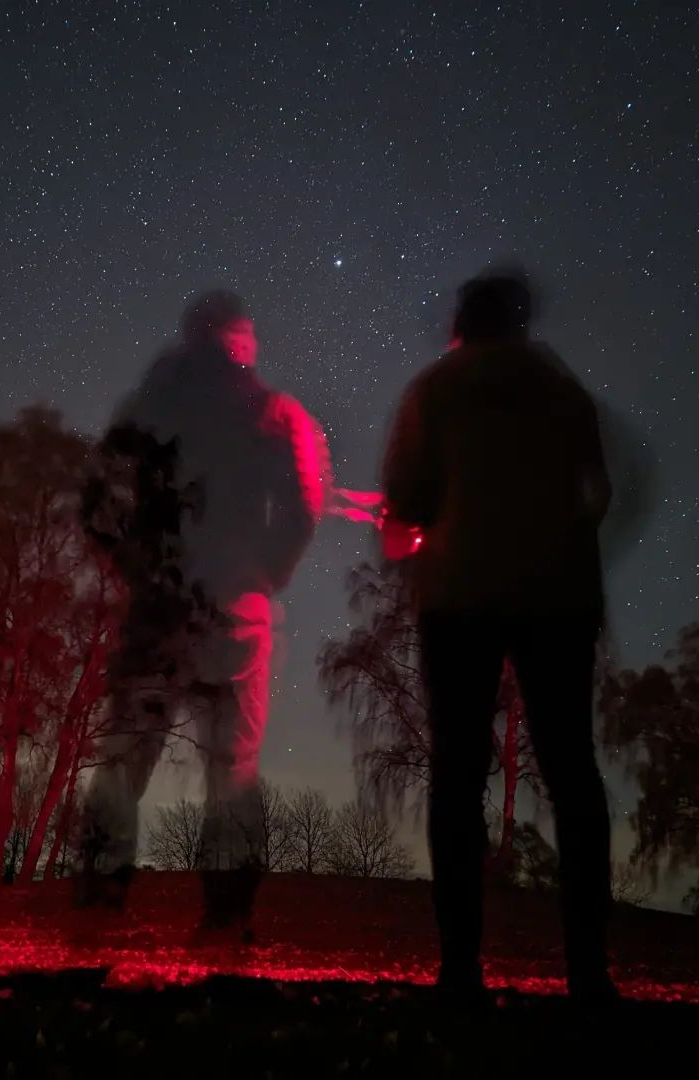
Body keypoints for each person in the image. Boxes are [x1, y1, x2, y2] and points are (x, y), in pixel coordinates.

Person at [380, 270, 618, 1003]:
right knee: (573, 772)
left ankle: (460, 970)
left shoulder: (436, 388)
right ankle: (587, 971)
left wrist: (416, 531)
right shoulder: (559, 387)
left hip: (459, 598)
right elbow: (600, 487)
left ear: (461, 321)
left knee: (456, 776)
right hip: (559, 595)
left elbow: (408, 497)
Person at [78, 290, 335, 933]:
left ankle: (101, 893)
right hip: (235, 606)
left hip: (159, 600)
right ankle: (226, 910)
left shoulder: (146, 410)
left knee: (127, 750)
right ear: (240, 339)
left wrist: (135, 565)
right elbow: (306, 505)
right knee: (233, 763)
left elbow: (96, 495)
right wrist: (267, 571)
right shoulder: (276, 413)